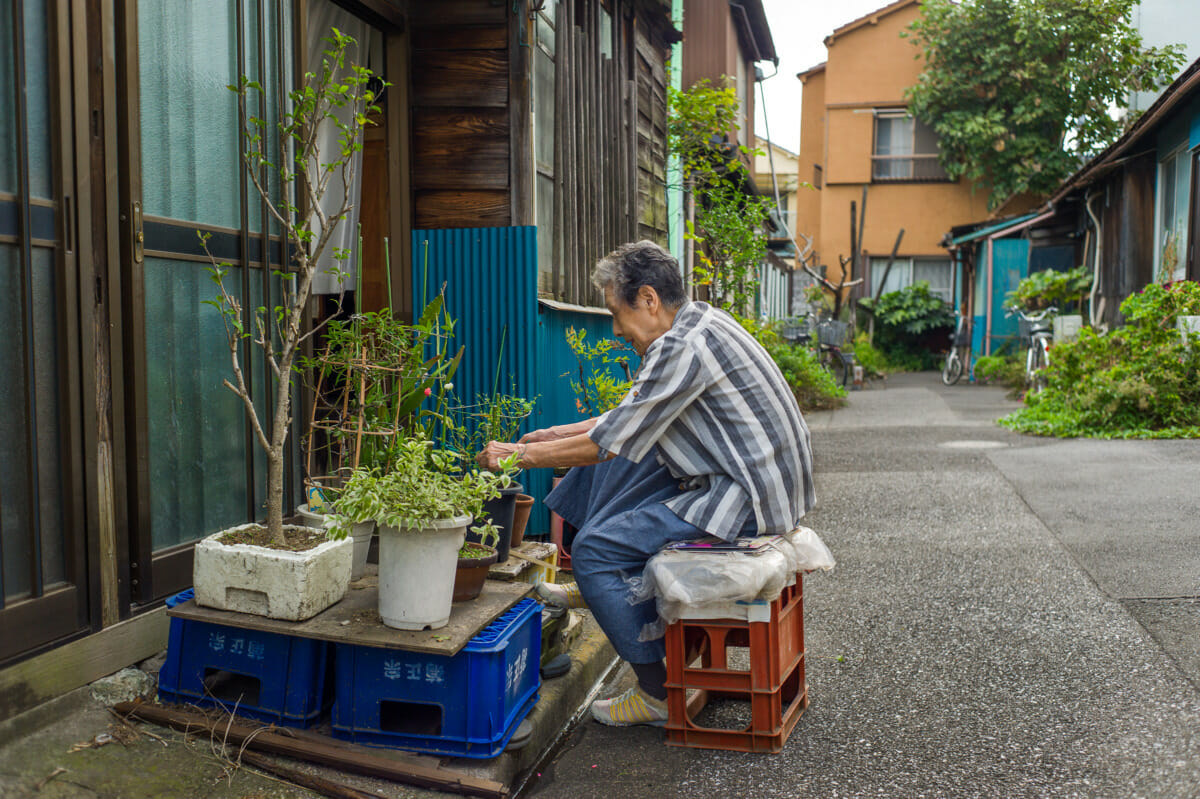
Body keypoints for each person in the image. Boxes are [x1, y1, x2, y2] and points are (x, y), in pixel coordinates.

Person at [477, 240, 815, 727]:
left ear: (650, 300)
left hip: (750, 499)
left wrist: (520, 454)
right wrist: (558, 433)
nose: (615, 329)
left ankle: (656, 693)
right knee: (615, 461)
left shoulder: (680, 346)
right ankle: (604, 590)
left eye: (617, 312)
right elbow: (634, 416)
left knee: (593, 547)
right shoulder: (701, 320)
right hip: (757, 477)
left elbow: (609, 440)